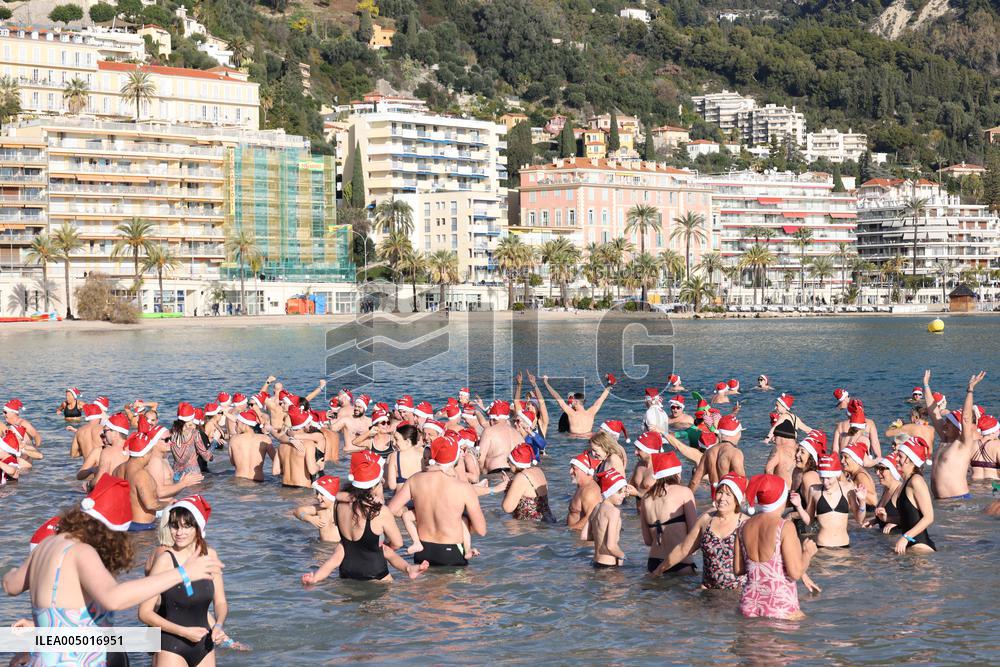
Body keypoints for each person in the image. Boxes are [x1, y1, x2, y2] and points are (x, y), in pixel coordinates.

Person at [3, 475, 222, 667]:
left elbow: (10, 585)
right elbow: (113, 599)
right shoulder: (81, 551)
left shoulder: (46, 547)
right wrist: (182, 573)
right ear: (106, 530)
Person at [301, 455, 428, 582]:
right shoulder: (380, 511)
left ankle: (314, 578)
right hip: (376, 575)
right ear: (374, 486)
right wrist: (379, 547)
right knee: (382, 548)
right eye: (380, 482)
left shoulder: (338, 504)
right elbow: (398, 543)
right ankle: (408, 569)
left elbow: (338, 554)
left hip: (346, 572)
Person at [139, 495, 228, 667]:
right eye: (174, 526)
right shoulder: (165, 560)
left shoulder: (210, 555)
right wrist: (184, 632)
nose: (179, 533)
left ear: (198, 528)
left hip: (204, 645)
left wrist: (219, 625)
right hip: (171, 645)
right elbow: (144, 613)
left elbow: (221, 602)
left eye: (186, 526)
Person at [387, 436, 487, 567]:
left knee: (427, 586)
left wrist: (417, 514)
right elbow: (481, 531)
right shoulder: (464, 487)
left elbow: (390, 511)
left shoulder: (414, 480)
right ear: (455, 458)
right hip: (452, 552)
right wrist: (460, 520)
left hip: (423, 551)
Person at [734, 474, 817, 620]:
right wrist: (808, 553)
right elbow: (795, 573)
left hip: (749, 606)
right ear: (781, 498)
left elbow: (738, 570)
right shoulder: (785, 526)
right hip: (779, 607)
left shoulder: (742, 526)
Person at [651, 472, 749, 590]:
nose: (722, 498)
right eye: (720, 492)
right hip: (708, 593)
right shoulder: (706, 520)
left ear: (737, 499)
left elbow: (759, 561)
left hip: (737, 594)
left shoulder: (746, 524)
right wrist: (658, 571)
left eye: (728, 494)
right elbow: (683, 549)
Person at [922, 370, 984, 499]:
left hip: (958, 502)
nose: (944, 425)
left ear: (958, 428)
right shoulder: (945, 439)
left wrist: (970, 391)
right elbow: (933, 413)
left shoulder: (962, 443)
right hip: (941, 503)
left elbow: (966, 418)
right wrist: (926, 386)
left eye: (948, 423)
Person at [640, 452, 697, 574]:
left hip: (654, 562)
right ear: (676, 473)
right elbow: (694, 533)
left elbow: (648, 541)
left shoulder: (645, 498)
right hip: (680, 562)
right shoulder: (684, 492)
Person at [789, 455, 862, 548]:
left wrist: (862, 501)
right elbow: (809, 521)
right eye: (822, 478)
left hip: (844, 548)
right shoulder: (814, 490)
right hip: (822, 547)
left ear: (837, 475)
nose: (825, 482)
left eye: (828, 478)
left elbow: (859, 519)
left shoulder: (848, 488)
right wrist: (799, 506)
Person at [113, 431, 175, 532]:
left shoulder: (117, 469)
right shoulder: (141, 474)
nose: (151, 455)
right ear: (144, 454)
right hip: (142, 527)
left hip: (124, 525)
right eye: (150, 452)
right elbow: (150, 504)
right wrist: (169, 503)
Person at [893, 436, 936, 554]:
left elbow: (929, 517)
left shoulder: (916, 480)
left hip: (920, 547)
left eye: (900, 456)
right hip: (910, 544)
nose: (896, 459)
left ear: (909, 459)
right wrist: (884, 519)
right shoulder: (905, 482)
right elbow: (909, 517)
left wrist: (905, 537)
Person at [495, 443, 556, 522]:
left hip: (531, 526)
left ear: (515, 462)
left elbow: (507, 508)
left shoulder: (521, 477)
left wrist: (506, 488)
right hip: (549, 520)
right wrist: (511, 484)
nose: (507, 463)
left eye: (509, 460)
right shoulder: (538, 470)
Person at [689, 415, 745, 493]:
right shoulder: (735, 453)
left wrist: (686, 499)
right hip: (727, 499)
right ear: (736, 433)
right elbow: (742, 482)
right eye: (740, 432)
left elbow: (694, 482)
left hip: (715, 496)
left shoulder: (709, 452)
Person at [542, 375, 612, 437]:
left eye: (573, 400)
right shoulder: (591, 413)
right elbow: (602, 398)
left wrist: (546, 383)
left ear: (576, 401)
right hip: (588, 438)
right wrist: (609, 385)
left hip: (573, 440)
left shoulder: (572, 414)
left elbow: (557, 397)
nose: (571, 401)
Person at [589, 469, 631, 568]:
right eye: (620, 493)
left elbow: (585, 536)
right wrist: (624, 557)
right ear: (610, 491)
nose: (623, 496)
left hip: (595, 562)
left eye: (625, 492)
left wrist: (600, 538)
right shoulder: (614, 512)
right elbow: (611, 546)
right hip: (609, 564)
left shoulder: (597, 507)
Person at [227, 410, 276, 481]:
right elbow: (276, 460)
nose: (235, 425)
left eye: (237, 423)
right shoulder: (265, 438)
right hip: (258, 482)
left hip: (239, 482)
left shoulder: (233, 439)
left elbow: (233, 463)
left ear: (244, 424)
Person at [477, 400, 523, 475]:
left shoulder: (489, 431)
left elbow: (480, 459)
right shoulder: (518, 434)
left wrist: (481, 475)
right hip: (516, 475)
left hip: (496, 474)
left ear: (492, 419)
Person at [294, 475, 342, 543]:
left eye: (322, 494)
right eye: (317, 493)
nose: (318, 497)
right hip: (321, 548)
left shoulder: (342, 510)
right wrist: (310, 518)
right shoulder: (319, 509)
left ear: (330, 495)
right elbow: (297, 511)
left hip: (337, 548)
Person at [171, 403, 213, 480]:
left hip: (176, 473)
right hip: (192, 472)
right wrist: (211, 453)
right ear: (192, 416)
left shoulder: (172, 432)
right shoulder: (195, 433)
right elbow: (205, 455)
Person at [865, 452, 903, 533]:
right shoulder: (886, 488)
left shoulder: (901, 491)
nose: (877, 473)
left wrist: (895, 522)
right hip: (884, 540)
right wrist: (875, 521)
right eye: (877, 468)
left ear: (893, 471)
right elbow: (887, 515)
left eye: (882, 469)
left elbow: (913, 518)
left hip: (897, 540)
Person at [567, 452, 602, 534]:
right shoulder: (582, 486)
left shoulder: (590, 491)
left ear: (586, 471)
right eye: (571, 468)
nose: (570, 471)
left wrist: (568, 530)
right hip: (574, 536)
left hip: (582, 540)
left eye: (574, 468)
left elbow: (592, 517)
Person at [840, 442, 878, 513]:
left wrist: (853, 488)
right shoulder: (852, 473)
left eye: (846, 457)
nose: (842, 461)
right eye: (841, 457)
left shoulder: (861, 476)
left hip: (868, 515)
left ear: (855, 459)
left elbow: (874, 500)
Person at [630, 431, 663, 497]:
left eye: (639, 449)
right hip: (638, 507)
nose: (635, 452)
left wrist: (637, 494)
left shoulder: (661, 469)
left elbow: (662, 499)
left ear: (649, 450)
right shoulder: (640, 464)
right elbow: (630, 485)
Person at [970, 413, 1000, 481]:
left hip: (974, 484)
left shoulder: (971, 444)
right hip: (992, 484)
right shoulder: (998, 445)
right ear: (992, 432)